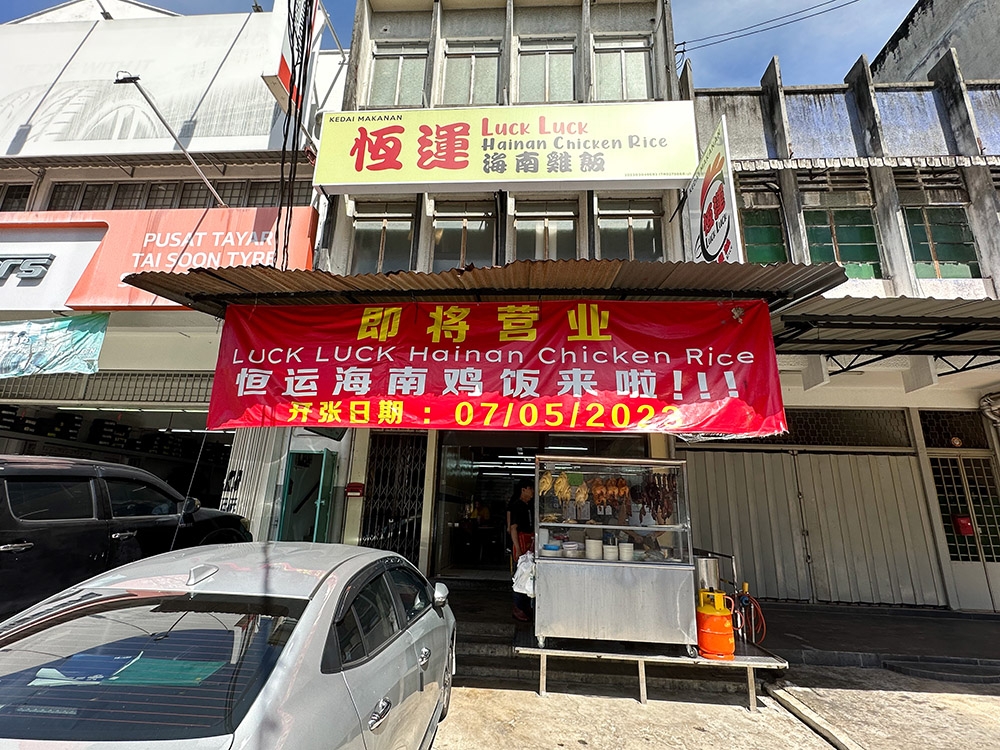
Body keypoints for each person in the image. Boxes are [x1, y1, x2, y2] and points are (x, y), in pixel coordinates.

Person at [507, 478, 535, 622]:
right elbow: (512, 528)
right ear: (523, 490)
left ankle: (524, 607)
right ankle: (517, 608)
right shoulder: (517, 505)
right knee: (520, 576)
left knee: (527, 575)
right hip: (521, 543)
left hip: (528, 544)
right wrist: (517, 549)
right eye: (531, 489)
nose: (533, 492)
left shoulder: (528, 505)